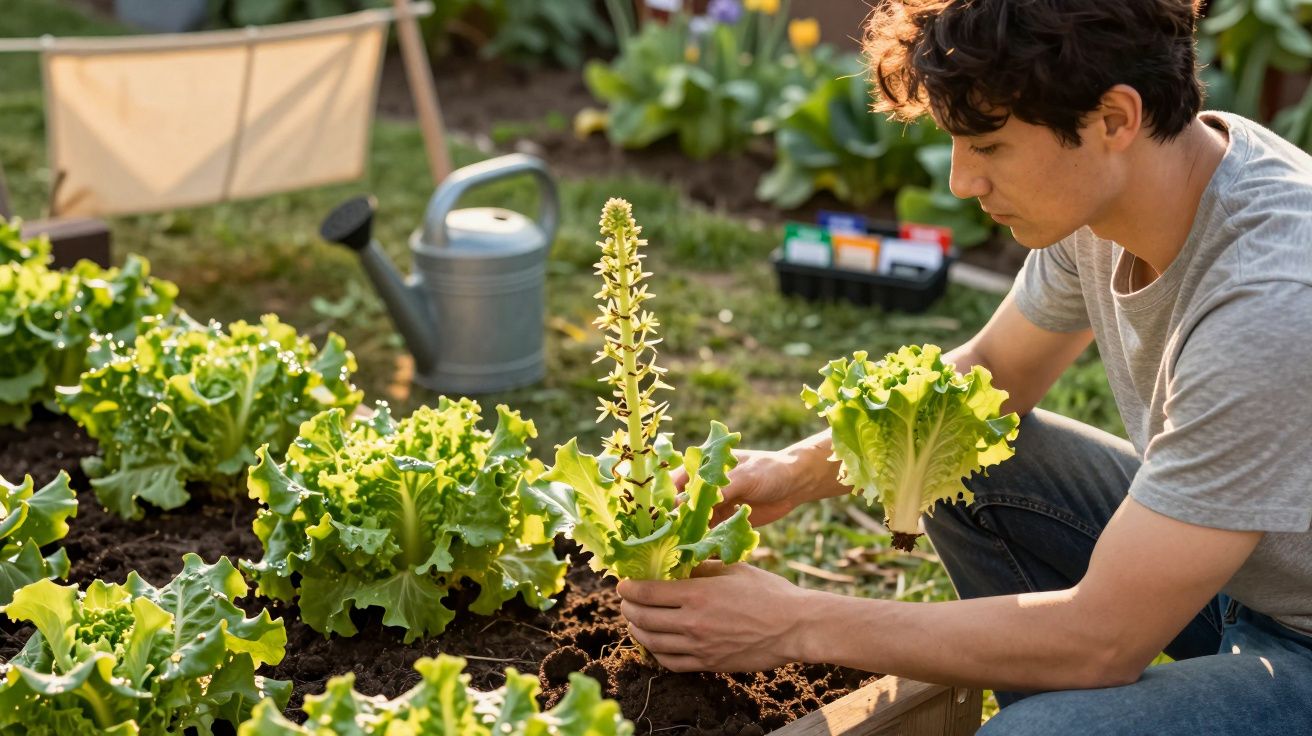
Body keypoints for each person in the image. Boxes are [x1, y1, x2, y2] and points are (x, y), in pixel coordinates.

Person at [615, 1, 1312, 732]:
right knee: (953, 440)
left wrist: (795, 622)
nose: (961, 182)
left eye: (989, 146)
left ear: (1114, 118)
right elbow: (990, 377)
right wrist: (792, 470)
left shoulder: (1270, 299)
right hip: (1236, 577)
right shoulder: (1126, 186)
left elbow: (1102, 640)